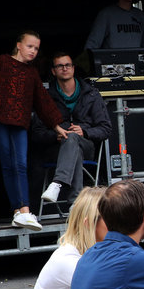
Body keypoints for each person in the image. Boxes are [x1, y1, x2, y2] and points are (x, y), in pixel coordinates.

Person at [0, 31, 67, 230]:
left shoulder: (32, 73)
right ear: (19, 45)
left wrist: (57, 126)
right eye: (29, 46)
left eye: (36, 48)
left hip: (19, 123)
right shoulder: (2, 62)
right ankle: (19, 211)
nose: (33, 51)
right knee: (8, 165)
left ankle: (23, 210)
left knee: (19, 164)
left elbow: (43, 102)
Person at [32, 53, 112, 204]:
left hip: (87, 145)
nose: (64, 68)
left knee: (74, 138)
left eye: (68, 65)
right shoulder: (46, 98)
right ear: (53, 71)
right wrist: (55, 136)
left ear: (73, 69)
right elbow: (37, 133)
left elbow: (106, 128)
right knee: (73, 145)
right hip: (56, 149)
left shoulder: (91, 94)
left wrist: (85, 132)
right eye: (60, 66)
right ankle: (75, 204)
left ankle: (57, 184)